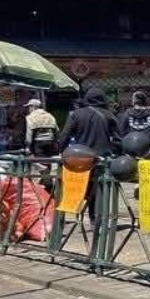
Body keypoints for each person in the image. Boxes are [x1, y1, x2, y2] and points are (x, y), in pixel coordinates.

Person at [59, 87, 119, 223]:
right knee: (100, 189)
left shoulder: (76, 114)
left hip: (81, 160)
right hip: (102, 160)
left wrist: (61, 152)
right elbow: (118, 139)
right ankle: (97, 218)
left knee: (83, 188)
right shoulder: (109, 115)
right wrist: (113, 152)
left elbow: (65, 136)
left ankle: (79, 216)